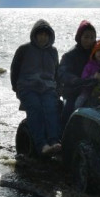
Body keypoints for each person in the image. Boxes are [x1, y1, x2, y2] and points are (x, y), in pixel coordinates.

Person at [10, 19, 62, 156]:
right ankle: (42, 145)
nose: (43, 37)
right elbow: (14, 69)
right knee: (36, 108)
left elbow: (56, 72)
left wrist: (59, 90)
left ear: (50, 36)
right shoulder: (24, 49)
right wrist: (16, 88)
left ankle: (54, 141)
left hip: (48, 88)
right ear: (34, 35)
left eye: (46, 35)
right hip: (27, 87)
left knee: (52, 108)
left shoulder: (53, 51)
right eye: (40, 34)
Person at [74, 39, 100, 108]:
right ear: (94, 52)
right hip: (88, 92)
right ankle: (76, 115)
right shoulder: (89, 66)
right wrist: (93, 78)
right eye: (98, 50)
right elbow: (84, 79)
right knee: (78, 103)